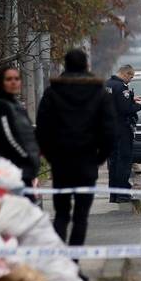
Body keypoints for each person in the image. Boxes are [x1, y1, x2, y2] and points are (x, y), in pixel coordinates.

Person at [36, 49, 115, 249]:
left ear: (66, 65)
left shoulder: (52, 92)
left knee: (61, 213)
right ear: (86, 65)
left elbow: (42, 127)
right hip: (87, 160)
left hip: (61, 161)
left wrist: (50, 155)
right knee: (81, 216)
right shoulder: (98, 92)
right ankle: (73, 261)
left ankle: (60, 259)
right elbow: (108, 129)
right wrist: (100, 157)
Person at [0, 66, 40, 188]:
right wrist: (27, 157)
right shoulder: (0, 106)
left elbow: (28, 134)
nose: (14, 82)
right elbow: (8, 138)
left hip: (22, 172)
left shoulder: (16, 105)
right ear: (1, 82)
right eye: (9, 79)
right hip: (9, 172)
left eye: (17, 78)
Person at [106, 65, 141, 203]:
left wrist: (130, 100)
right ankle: (123, 193)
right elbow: (126, 109)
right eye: (131, 77)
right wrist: (138, 105)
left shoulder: (107, 85)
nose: (131, 80)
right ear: (125, 74)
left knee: (113, 162)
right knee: (124, 161)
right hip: (121, 129)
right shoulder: (121, 87)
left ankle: (114, 194)